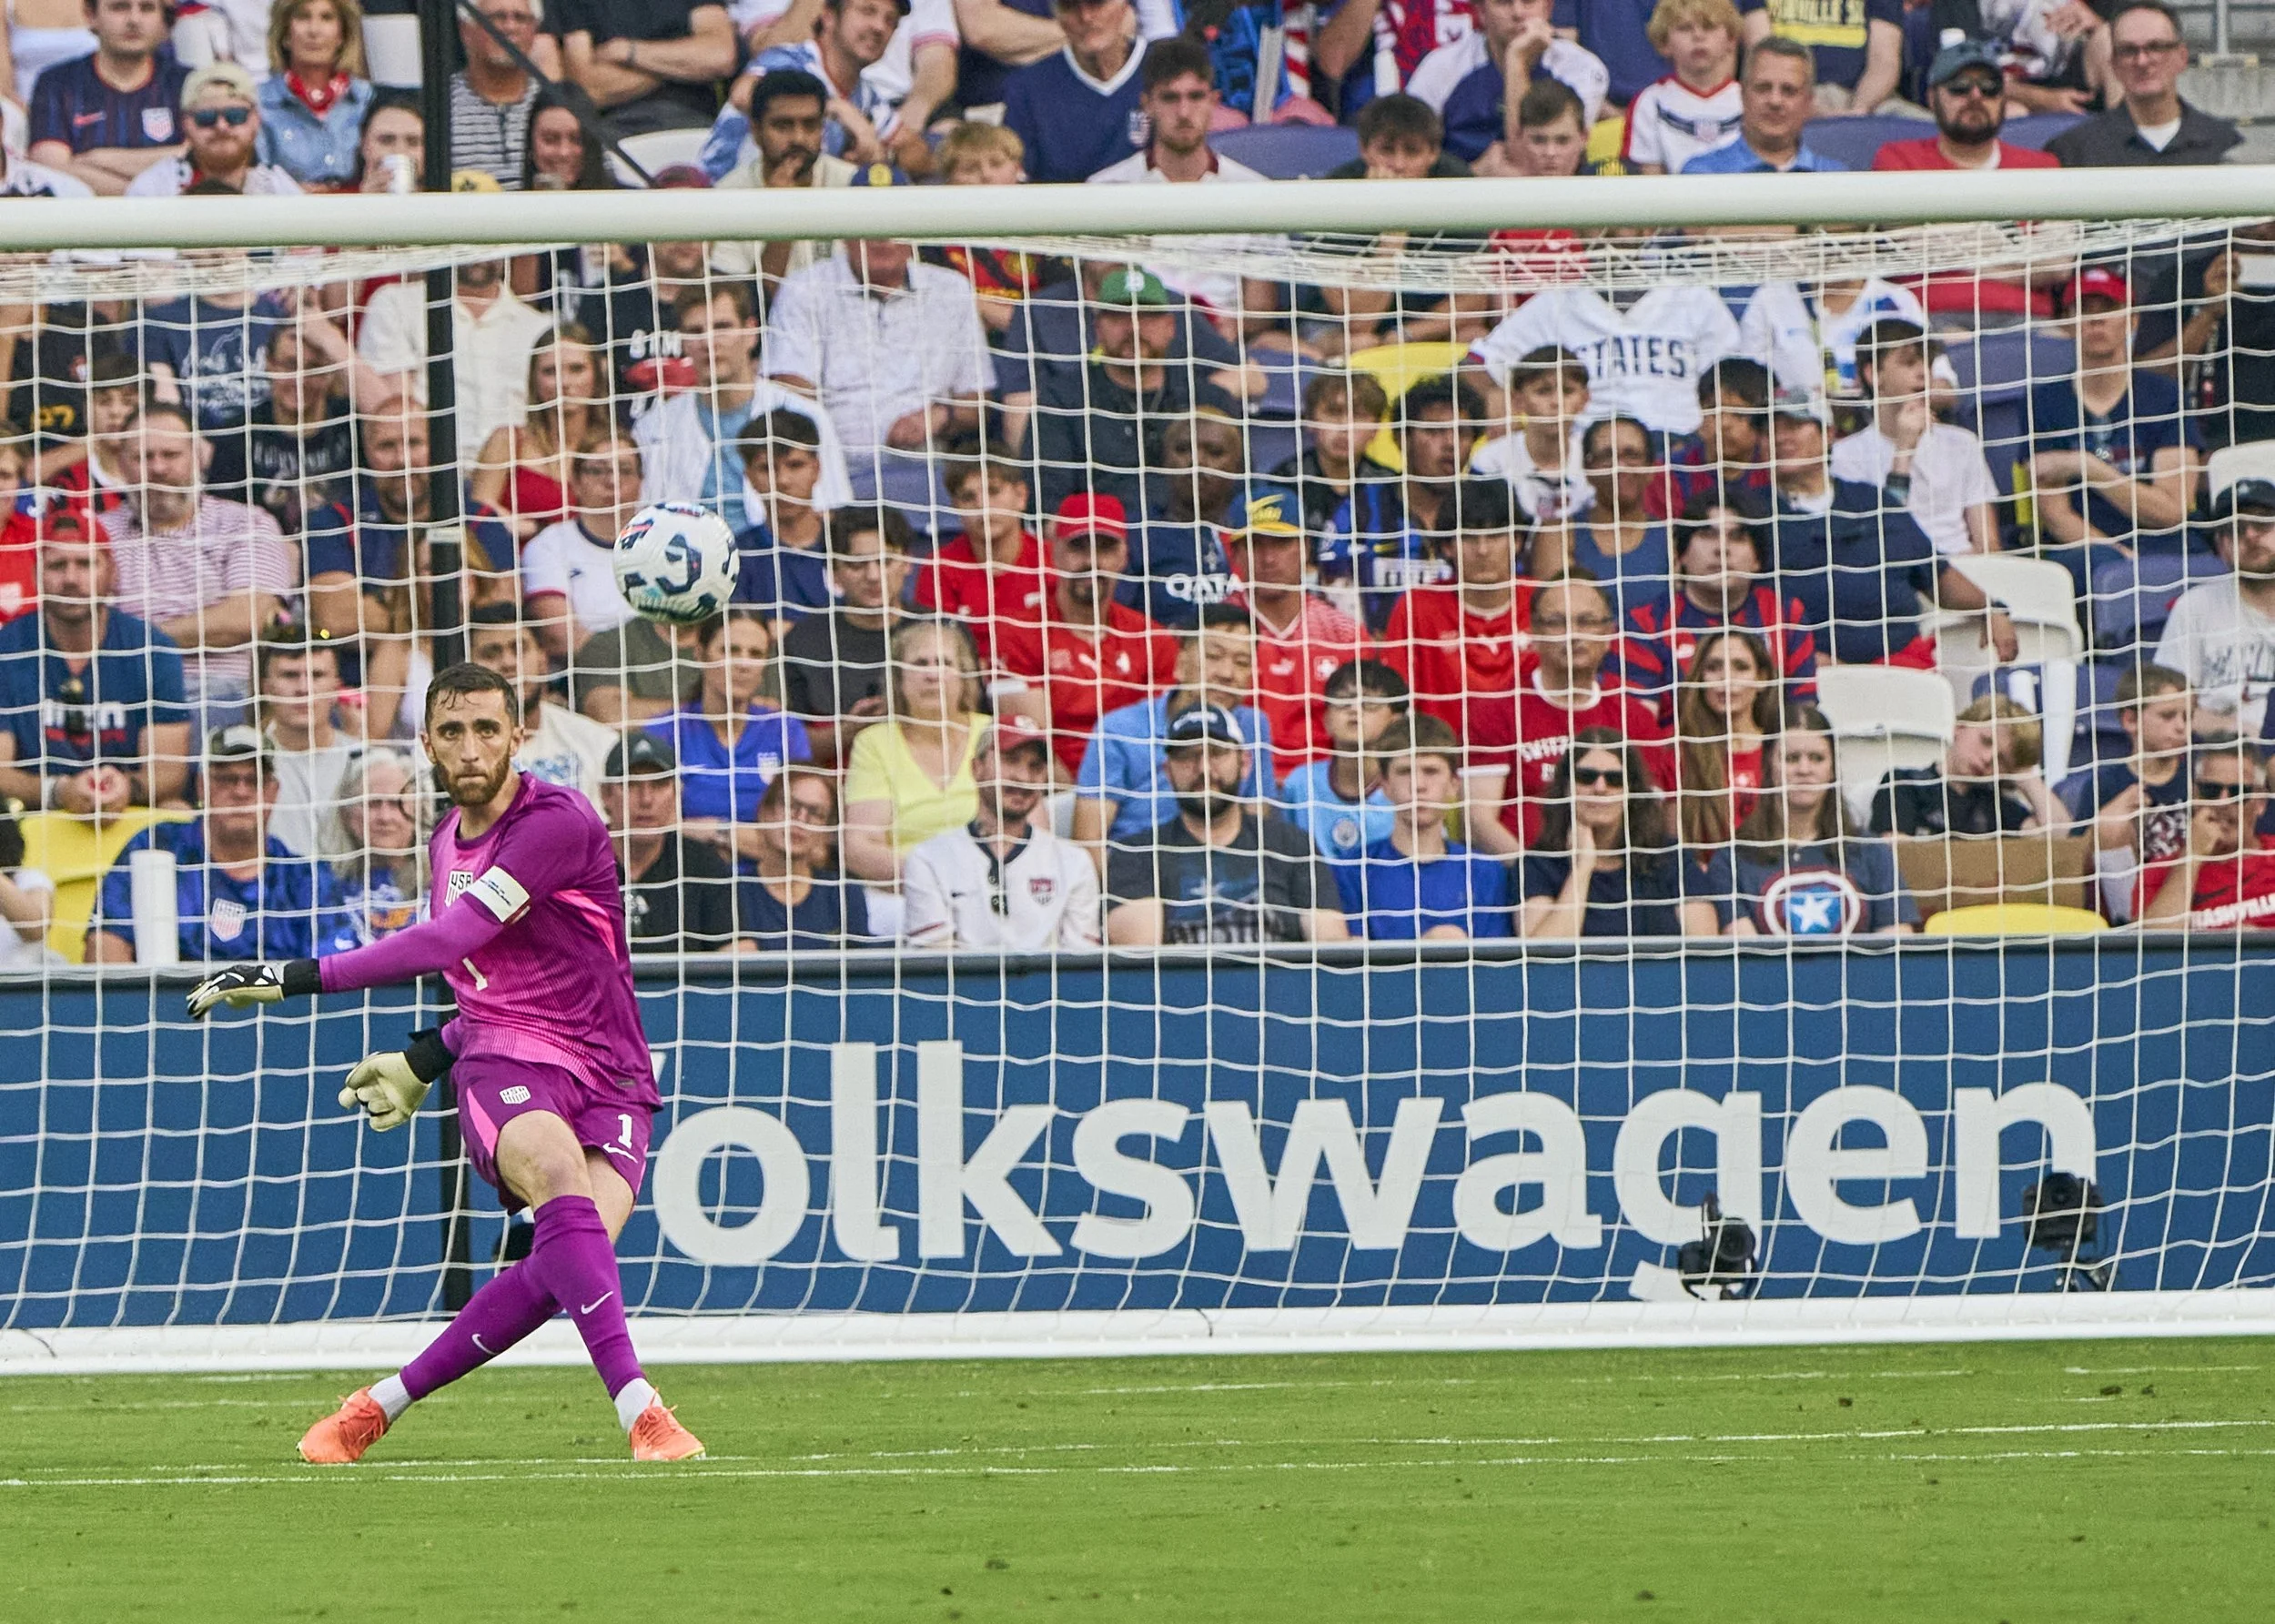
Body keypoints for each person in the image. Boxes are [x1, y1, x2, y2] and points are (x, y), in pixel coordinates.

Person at [188, 662, 706, 1465]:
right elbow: (483, 987)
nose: (471, 748)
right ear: (427, 742)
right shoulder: (443, 844)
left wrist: (293, 976)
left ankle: (376, 1406)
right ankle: (644, 1413)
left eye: (488, 729)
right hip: (507, 1057)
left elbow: (448, 940)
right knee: (557, 1179)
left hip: (612, 1071)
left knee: (565, 1263)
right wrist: (431, 1057)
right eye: (454, 732)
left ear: (517, 738)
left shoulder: (557, 823)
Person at [1765, 386, 2013, 667]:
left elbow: (1936, 576)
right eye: (1770, 429)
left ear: (1828, 434)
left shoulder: (1871, 500)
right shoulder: (1756, 516)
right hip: (1804, 676)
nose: (1780, 437)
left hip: (1899, 667)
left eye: (1794, 425)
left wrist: (1991, 607)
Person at [763, 224, 996, 511]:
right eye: (869, 225)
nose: (883, 238)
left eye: (895, 224)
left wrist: (938, 416)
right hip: (834, 476)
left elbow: (978, 403)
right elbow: (791, 398)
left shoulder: (952, 289)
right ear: (846, 235)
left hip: (929, 471)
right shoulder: (803, 289)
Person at [87, 725, 346, 962]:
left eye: (254, 781)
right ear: (201, 787)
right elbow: (105, 946)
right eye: (226, 779)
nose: (241, 792)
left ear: (272, 792)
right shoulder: (156, 847)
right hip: (171, 1009)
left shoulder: (304, 879)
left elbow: (331, 971)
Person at [2023, 264, 2205, 601]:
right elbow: (2057, 516)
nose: (2095, 320)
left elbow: (2171, 510)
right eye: (2083, 310)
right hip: (2087, 549)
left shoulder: (2165, 396)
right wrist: (2118, 557)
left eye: (2108, 308)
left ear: (2132, 320)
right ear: (2068, 324)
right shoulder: (2042, 402)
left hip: (2164, 541)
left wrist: (2085, 466)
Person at [101, 403, 295, 713]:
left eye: (171, 455)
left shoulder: (246, 523)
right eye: (143, 457)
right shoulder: (99, 532)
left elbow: (247, 619)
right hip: (125, 694)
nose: (158, 469)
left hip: (222, 691)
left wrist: (137, 642)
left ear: (197, 457)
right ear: (121, 464)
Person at [1104, 703, 1349, 945]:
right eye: (1187, 756)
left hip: (1280, 984)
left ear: (1245, 764)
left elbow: (1331, 949)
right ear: (1167, 771)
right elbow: (1142, 966)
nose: (1204, 769)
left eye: (1217, 753)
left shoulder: (1292, 845)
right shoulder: (1136, 854)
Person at [0, 513, 191, 814]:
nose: (71, 579)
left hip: (126, 812)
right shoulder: (6, 650)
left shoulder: (153, 650)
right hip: (34, 814)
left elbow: (169, 773)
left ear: (112, 573)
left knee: (178, 810)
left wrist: (127, 788)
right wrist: (58, 792)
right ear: (37, 576)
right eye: (57, 566)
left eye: (86, 564)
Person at [1465, 573, 1670, 853]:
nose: (1572, 634)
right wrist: (1534, 876)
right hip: (1524, 880)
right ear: (1534, 634)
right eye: (1556, 622)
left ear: (1609, 634)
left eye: (1586, 621)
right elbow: (1479, 821)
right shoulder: (1495, 711)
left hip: (1614, 880)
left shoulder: (1635, 719)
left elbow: (1647, 819)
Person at [1869, 40, 2063, 325]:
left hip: (2027, 324)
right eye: (1959, 87)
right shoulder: (1897, 159)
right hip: (1926, 322)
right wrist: (2016, 252)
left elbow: (2058, 266)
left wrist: (1948, 237)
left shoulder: (2042, 166)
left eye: (1989, 88)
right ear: (1932, 98)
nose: (1975, 96)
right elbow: (1913, 245)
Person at [635, 284, 852, 536]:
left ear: (751, 333)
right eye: (696, 331)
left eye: (722, 327)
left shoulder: (806, 415)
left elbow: (833, 511)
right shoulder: (653, 426)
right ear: (683, 343)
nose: (709, 342)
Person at [1691, 704, 1920, 936]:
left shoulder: (1871, 851)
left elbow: (1896, 948)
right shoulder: (1731, 861)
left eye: (1816, 758)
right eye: (1791, 758)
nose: (1804, 769)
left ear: (1832, 769)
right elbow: (1749, 959)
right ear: (1769, 766)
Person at [992, 492, 1178, 778]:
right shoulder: (1017, 633)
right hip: (1055, 793)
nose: (1092, 561)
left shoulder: (1154, 638)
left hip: (1138, 786)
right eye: (1078, 547)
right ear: (1054, 553)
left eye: (1105, 548)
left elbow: (1160, 740)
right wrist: (1087, 807)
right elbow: (1035, 752)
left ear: (1123, 556)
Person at [1031, 267, 1242, 517]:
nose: (1133, 328)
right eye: (1119, 316)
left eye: (1147, 316)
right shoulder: (1063, 399)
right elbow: (1048, 507)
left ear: (1170, 327)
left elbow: (1242, 494)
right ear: (1098, 329)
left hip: (1194, 541)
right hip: (1103, 544)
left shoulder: (1209, 399)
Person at [1076, 603, 1274, 855]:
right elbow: (1088, 841)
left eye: (1242, 662)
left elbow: (1258, 825)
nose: (1227, 673)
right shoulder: (1118, 731)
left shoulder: (1253, 726)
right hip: (1139, 874)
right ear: (1180, 663)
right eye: (1213, 657)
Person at [1616, 493, 1816, 723]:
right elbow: (1639, 726)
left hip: (1767, 754)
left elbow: (1802, 714)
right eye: (1707, 534)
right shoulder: (1644, 624)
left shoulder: (1785, 614)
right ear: (1681, 555)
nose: (1722, 548)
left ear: (1757, 560)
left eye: (1737, 537)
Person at [904, 719, 1101, 949]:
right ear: (976, 768)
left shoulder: (1074, 862)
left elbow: (1081, 970)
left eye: (1035, 766)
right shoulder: (929, 858)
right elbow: (934, 966)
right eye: (1011, 760)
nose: (1024, 777)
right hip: (962, 985)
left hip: (1050, 985)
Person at [645, 607, 814, 867]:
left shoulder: (785, 731)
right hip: (690, 878)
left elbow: (806, 846)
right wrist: (755, 840)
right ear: (700, 655)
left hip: (771, 885)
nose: (743, 664)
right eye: (730, 651)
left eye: (755, 654)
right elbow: (658, 831)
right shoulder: (664, 731)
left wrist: (717, 831)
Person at [1383, 478, 1532, 763]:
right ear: (1447, 547)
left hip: (1529, 768)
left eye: (1495, 536)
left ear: (1517, 541)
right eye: (1469, 538)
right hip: (1442, 769)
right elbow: (1394, 708)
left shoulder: (1545, 602)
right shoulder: (1417, 608)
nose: (1483, 550)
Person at [1220, 486, 1367, 774]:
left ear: (1305, 549)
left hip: (1325, 784)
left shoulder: (1344, 633)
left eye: (1280, 543)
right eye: (1255, 544)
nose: (1268, 558)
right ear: (1234, 555)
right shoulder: (1215, 631)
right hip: (1241, 782)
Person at [1472, 281, 1739, 439]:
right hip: (1586, 453)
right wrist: (1511, 412)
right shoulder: (1557, 302)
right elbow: (1475, 367)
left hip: (1680, 449)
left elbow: (1740, 380)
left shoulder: (1694, 298)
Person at [1829, 318, 1999, 559]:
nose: (1923, 373)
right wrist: (1904, 451)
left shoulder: (1962, 443)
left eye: (1927, 364)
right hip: (1898, 577)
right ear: (1873, 374)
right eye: (1909, 363)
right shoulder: (1846, 456)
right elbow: (1879, 542)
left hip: (1965, 571)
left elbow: (1989, 543)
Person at [1521, 728, 1715, 937]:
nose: (1601, 787)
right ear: (1566, 787)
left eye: (1615, 779)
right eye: (1586, 777)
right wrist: (1582, 868)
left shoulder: (1671, 859)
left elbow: (1701, 954)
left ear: (1631, 790)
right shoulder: (1538, 864)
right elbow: (1542, 958)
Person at [1330, 711, 1507, 938]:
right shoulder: (1351, 870)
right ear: (1385, 786)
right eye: (1405, 772)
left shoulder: (1486, 872)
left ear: (1454, 785)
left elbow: (1495, 965)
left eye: (1431, 771)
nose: (1418, 785)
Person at [359, 257, 553, 455]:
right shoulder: (396, 304)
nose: (476, 250)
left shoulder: (540, 327)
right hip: (430, 471)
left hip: (517, 471)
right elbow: (394, 410)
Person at [843, 618, 988, 883]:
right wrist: (936, 880)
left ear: (964, 675)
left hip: (991, 885)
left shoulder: (992, 734)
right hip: (905, 893)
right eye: (920, 663)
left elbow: (1033, 832)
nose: (932, 675)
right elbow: (860, 848)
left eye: (944, 663)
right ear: (898, 679)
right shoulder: (874, 743)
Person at [779, 505, 916, 767]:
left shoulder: (941, 631)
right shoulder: (803, 642)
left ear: (907, 562)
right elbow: (787, 746)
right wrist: (847, 731)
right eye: (857, 565)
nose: (873, 576)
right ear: (834, 571)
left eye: (885, 562)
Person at [2061, 661, 2190, 921]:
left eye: (2188, 716)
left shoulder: (2198, 779)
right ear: (2130, 720)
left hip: (2190, 896)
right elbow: (2076, 861)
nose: (2181, 726)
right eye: (2168, 716)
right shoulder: (2106, 782)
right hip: (2128, 905)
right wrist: (2107, 818)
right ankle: (2132, 933)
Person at [708, 71, 859, 290]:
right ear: (756, 130)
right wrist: (783, 214)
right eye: (783, 125)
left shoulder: (852, 184)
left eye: (810, 125)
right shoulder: (727, 198)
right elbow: (750, 305)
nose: (799, 138)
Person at [1408, 0, 1609, 162]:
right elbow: (1410, 151)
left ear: (1548, 8)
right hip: (1457, 197)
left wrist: (1517, 61)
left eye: (1529, 2)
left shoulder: (1582, 68)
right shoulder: (1440, 66)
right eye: (1503, 3)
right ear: (1481, 12)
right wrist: (1471, 176)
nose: (1518, 13)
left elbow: (1528, 162)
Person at [2045, 2, 2240, 167]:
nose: (2142, 61)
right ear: (2113, 63)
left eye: (2156, 47)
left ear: (2182, 57)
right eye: (2129, 50)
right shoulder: (2074, 152)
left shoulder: (2223, 145)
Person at [26, 0, 190, 196]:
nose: (134, 20)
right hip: (81, 220)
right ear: (91, 16)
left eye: (147, 8)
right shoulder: (57, 83)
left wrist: (99, 158)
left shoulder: (185, 83)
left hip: (173, 223)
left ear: (163, 19)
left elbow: (196, 159)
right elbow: (51, 168)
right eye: (119, 7)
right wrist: (144, 196)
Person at [2152, 479, 2275, 736]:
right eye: (2235, 529)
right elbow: (2168, 707)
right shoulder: (2195, 608)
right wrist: (2238, 731)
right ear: (2220, 546)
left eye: (2263, 522)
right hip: (2225, 760)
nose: (2250, 535)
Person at [466, 604, 618, 812]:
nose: (508, 663)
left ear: (542, 660)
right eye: (491, 654)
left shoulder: (597, 743)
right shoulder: (446, 753)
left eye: (519, 649)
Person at [602, 731, 739, 955]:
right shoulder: (577, 862)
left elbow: (740, 950)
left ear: (677, 793)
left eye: (658, 785)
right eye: (632, 784)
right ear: (606, 794)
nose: (646, 800)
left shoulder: (701, 864)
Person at [471, 326, 609, 545]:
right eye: (550, 371)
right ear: (534, 380)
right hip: (511, 571)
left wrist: (531, 527)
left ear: (596, 376)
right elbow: (477, 517)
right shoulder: (508, 441)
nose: (564, 383)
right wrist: (538, 529)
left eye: (576, 369)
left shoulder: (614, 448)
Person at [914, 447, 1046, 665]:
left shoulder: (1052, 561)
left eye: (993, 491)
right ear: (956, 507)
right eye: (968, 497)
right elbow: (934, 650)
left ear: (1021, 496)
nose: (982, 506)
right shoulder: (940, 567)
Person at [521, 431, 644, 664]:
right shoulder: (549, 545)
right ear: (575, 482)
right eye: (598, 470)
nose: (612, 481)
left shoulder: (664, 541)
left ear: (641, 481)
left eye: (625, 470)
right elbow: (561, 637)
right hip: (583, 674)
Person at [1872, 692, 2060, 837]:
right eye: (1986, 741)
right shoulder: (1904, 785)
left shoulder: (1997, 807)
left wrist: (2025, 773)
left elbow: (2060, 840)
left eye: (2001, 760)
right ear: (1960, 728)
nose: (1988, 758)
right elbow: (1895, 855)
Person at [1122, 411, 1247, 630]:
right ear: (1164, 460)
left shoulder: (1256, 533)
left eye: (1215, 452)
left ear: (1237, 466)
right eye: (1182, 449)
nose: (1196, 462)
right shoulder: (1136, 534)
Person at [1001, 0, 1147, 186]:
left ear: (1125, 4)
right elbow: (1015, 183)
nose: (1086, 17)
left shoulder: (1166, 73)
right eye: (1070, 7)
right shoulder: (1028, 88)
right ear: (1056, 15)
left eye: (1097, 4)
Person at [1274, 657, 1403, 866]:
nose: (1354, 710)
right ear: (1326, 720)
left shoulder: (1405, 788)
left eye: (1368, 704)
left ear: (1395, 721)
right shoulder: (1300, 783)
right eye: (1343, 701)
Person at [2138, 736, 2275, 930]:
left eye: (2238, 792)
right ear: (2195, 796)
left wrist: (2259, 941)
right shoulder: (2157, 873)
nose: (2223, 802)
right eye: (2210, 790)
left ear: (2260, 802)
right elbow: (2152, 952)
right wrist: (2192, 856)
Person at [736, 763, 872, 948]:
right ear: (765, 812)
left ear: (827, 830)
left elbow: (859, 969)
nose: (801, 819)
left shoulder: (844, 892)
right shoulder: (733, 893)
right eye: (792, 805)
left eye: (815, 813)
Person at [556, 0, 737, 137]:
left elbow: (721, 56)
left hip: (692, 121)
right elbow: (587, 89)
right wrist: (682, 64)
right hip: (613, 127)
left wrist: (628, 51)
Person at [1550, 415, 1674, 614]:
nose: (1620, 467)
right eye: (1607, 455)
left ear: (1651, 468)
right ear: (1588, 469)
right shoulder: (1560, 533)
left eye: (1632, 455)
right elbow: (1554, 610)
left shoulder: (1672, 538)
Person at [246, 324, 358, 544]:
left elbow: (393, 414)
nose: (300, 380)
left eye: (314, 367)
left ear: (330, 372)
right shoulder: (241, 433)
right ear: (269, 364)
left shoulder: (351, 422)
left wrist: (336, 345)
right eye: (289, 365)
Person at [1670, 627, 1779, 851]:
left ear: (1762, 678)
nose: (1726, 679)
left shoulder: (1780, 747)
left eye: (1740, 667)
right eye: (1713, 668)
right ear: (1699, 678)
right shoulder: (1678, 752)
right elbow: (1676, 851)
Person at [256, 627, 360, 858]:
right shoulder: (245, 762)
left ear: (336, 688)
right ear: (266, 689)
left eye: (317, 675)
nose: (303, 688)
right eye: (289, 675)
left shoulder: (362, 759)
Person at [127, 63, 306, 197]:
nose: (221, 127)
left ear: (256, 121)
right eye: (206, 118)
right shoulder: (154, 188)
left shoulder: (279, 189)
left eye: (235, 116)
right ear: (185, 124)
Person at [1468, 344, 1593, 529]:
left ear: (1584, 400)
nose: (1556, 403)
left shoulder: (1596, 459)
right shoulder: (1490, 462)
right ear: (1518, 400)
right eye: (1543, 391)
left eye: (1567, 391)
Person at [255, 0, 375, 191]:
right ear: (285, 33)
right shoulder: (259, 101)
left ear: (342, 35)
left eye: (327, 18)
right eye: (303, 17)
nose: (314, 30)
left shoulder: (368, 99)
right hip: (287, 215)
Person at [730, 410, 836, 621]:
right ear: (749, 477)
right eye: (767, 468)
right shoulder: (736, 557)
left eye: (795, 465)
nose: (783, 481)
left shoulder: (850, 543)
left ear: (817, 469)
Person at [1623, 0, 1744, 177]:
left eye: (1709, 27)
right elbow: (1649, 181)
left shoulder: (1748, 99)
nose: (1698, 36)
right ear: (1664, 42)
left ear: (1731, 39)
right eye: (1685, 28)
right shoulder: (1650, 102)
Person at [319, 745, 427, 947]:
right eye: (373, 804)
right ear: (347, 814)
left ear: (419, 812)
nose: (385, 817)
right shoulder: (320, 884)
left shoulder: (439, 883)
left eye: (397, 803)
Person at [450, 0, 556, 188]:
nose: (510, 27)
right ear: (465, 30)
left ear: (534, 31)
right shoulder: (439, 107)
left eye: (521, 18)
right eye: (497, 18)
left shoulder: (556, 106)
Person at [520, 83, 616, 194]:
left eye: (576, 140)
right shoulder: (507, 207)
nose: (564, 153)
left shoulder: (627, 203)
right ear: (531, 145)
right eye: (550, 140)